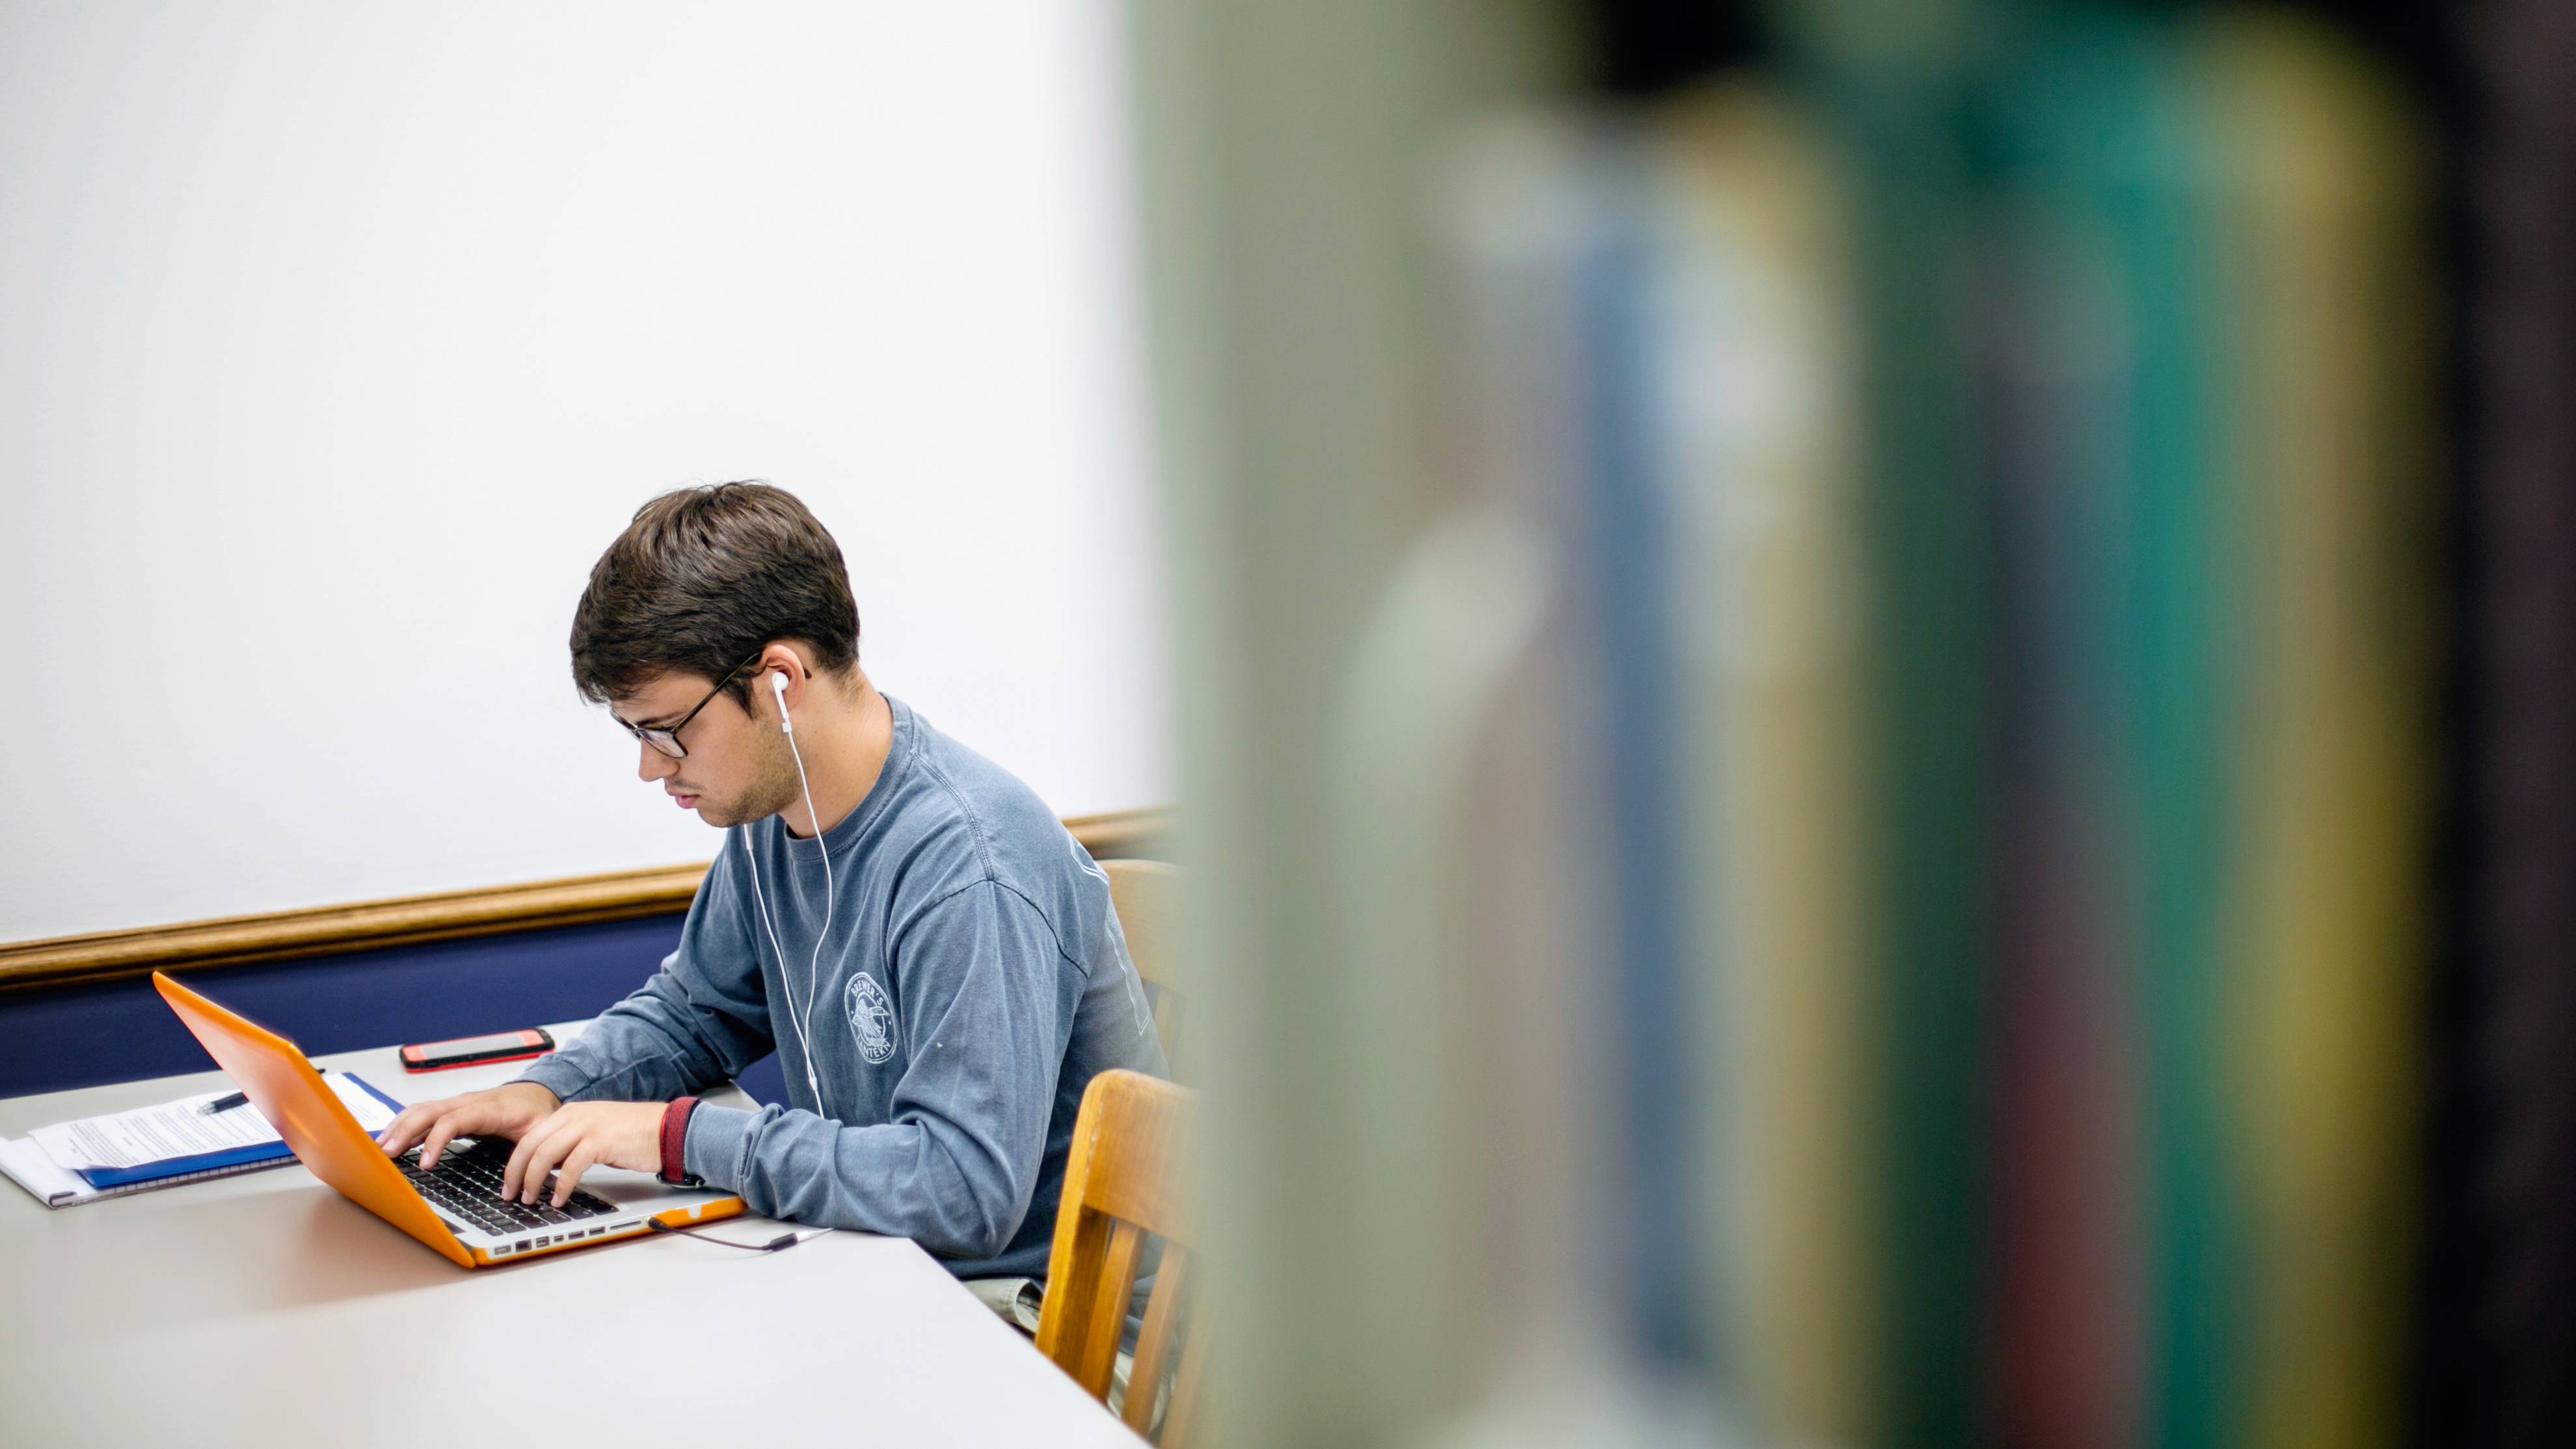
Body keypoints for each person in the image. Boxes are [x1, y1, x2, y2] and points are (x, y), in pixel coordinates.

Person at [375, 481, 1169, 1285]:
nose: (651, 767)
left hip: (1035, 1331)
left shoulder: (971, 867)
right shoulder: (775, 812)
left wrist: (675, 1138)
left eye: (667, 731)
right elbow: (698, 1012)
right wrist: (547, 1091)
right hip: (893, 1270)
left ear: (780, 681)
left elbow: (961, 1190)